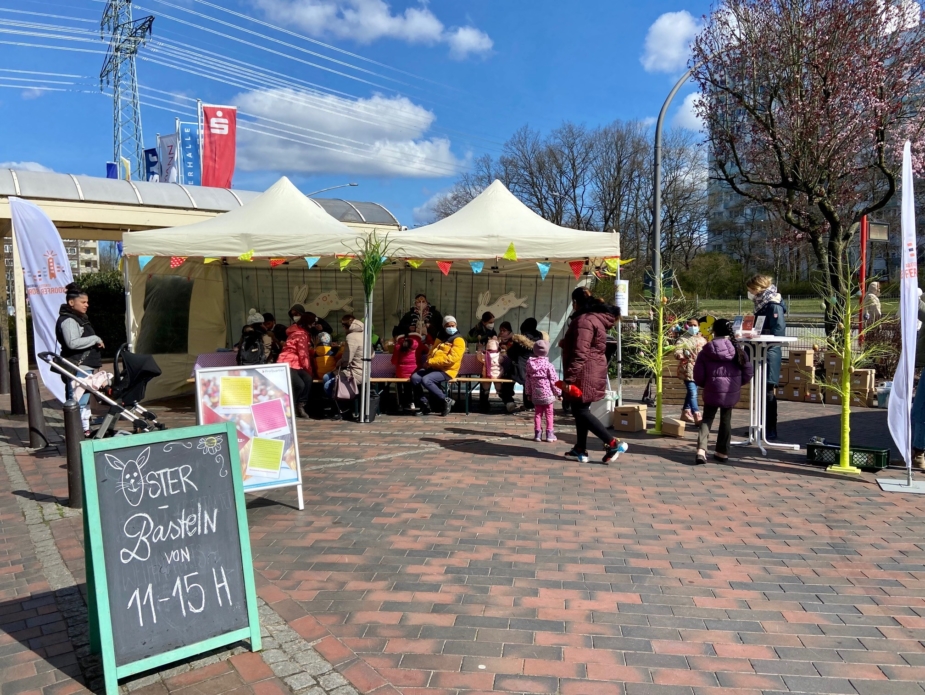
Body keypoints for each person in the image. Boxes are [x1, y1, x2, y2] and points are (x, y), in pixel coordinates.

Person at [560, 288, 628, 464]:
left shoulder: (584, 320)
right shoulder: (595, 318)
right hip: (593, 368)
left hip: (584, 371)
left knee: (580, 411)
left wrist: (569, 378)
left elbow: (580, 352)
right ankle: (580, 448)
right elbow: (587, 345)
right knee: (580, 409)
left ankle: (612, 443)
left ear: (575, 302)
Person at [693, 318, 754, 465]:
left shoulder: (706, 349)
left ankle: (701, 450)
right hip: (730, 390)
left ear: (714, 331)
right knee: (726, 420)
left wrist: (704, 384)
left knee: (707, 418)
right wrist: (738, 383)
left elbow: (698, 373)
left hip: (712, 388)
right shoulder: (738, 350)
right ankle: (722, 452)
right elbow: (748, 370)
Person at [55, 283, 104, 436]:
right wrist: (94, 338)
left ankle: (83, 429)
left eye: (87, 302)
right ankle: (77, 432)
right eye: (83, 302)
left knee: (83, 401)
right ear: (71, 303)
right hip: (78, 367)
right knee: (78, 401)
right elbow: (72, 342)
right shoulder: (69, 320)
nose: (87, 305)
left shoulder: (77, 319)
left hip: (83, 366)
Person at [747, 274, 785, 439]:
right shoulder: (760, 305)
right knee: (759, 390)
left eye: (752, 289)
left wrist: (760, 336)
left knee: (768, 391)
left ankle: (771, 428)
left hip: (768, 353)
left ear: (759, 288)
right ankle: (759, 425)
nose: (750, 293)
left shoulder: (773, 305)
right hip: (758, 351)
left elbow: (778, 331)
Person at [410, 315, 465, 416]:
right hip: (434, 367)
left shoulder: (458, 340)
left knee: (426, 380)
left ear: (456, 325)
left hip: (447, 370)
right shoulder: (440, 337)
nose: (451, 328)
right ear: (444, 326)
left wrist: (431, 362)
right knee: (415, 378)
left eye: (453, 325)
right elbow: (432, 351)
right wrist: (429, 361)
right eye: (448, 326)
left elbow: (452, 359)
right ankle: (424, 405)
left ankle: (446, 399)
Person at [505, 318, 547, 412]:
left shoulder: (521, 339)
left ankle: (509, 401)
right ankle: (529, 405)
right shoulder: (540, 338)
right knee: (528, 383)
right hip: (535, 367)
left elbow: (511, 353)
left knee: (507, 377)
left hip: (521, 367)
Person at [524, 339, 561, 443]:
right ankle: (549, 434)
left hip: (536, 395)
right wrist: (558, 393)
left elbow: (527, 380)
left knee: (537, 414)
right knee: (549, 413)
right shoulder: (549, 365)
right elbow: (554, 381)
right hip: (547, 395)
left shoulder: (529, 364)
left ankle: (537, 434)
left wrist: (528, 393)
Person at [276, 317, 313, 418]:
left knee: (308, 379)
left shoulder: (296, 333)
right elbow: (303, 354)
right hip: (286, 362)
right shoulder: (301, 335)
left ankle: (300, 405)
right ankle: (291, 407)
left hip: (295, 363)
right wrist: (308, 369)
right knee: (299, 385)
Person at [324, 316, 364, 406]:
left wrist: (338, 363)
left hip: (353, 372)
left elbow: (346, 359)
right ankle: (338, 405)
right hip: (363, 370)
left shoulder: (351, 337)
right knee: (326, 377)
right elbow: (372, 355)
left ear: (345, 326)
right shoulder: (364, 334)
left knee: (327, 384)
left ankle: (341, 407)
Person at [674, 318, 707, 424]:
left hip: (699, 369)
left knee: (691, 392)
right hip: (687, 368)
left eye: (695, 325)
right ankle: (696, 414)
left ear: (698, 326)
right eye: (690, 325)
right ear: (687, 326)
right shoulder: (683, 339)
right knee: (693, 392)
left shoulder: (703, 339)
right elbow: (677, 350)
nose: (693, 327)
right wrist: (681, 355)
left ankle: (685, 412)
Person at [391, 329, 423, 412]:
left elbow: (393, 361)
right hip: (415, 372)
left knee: (400, 382)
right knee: (415, 383)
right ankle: (416, 401)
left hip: (401, 373)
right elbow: (427, 350)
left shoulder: (398, 346)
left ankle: (402, 403)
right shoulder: (419, 344)